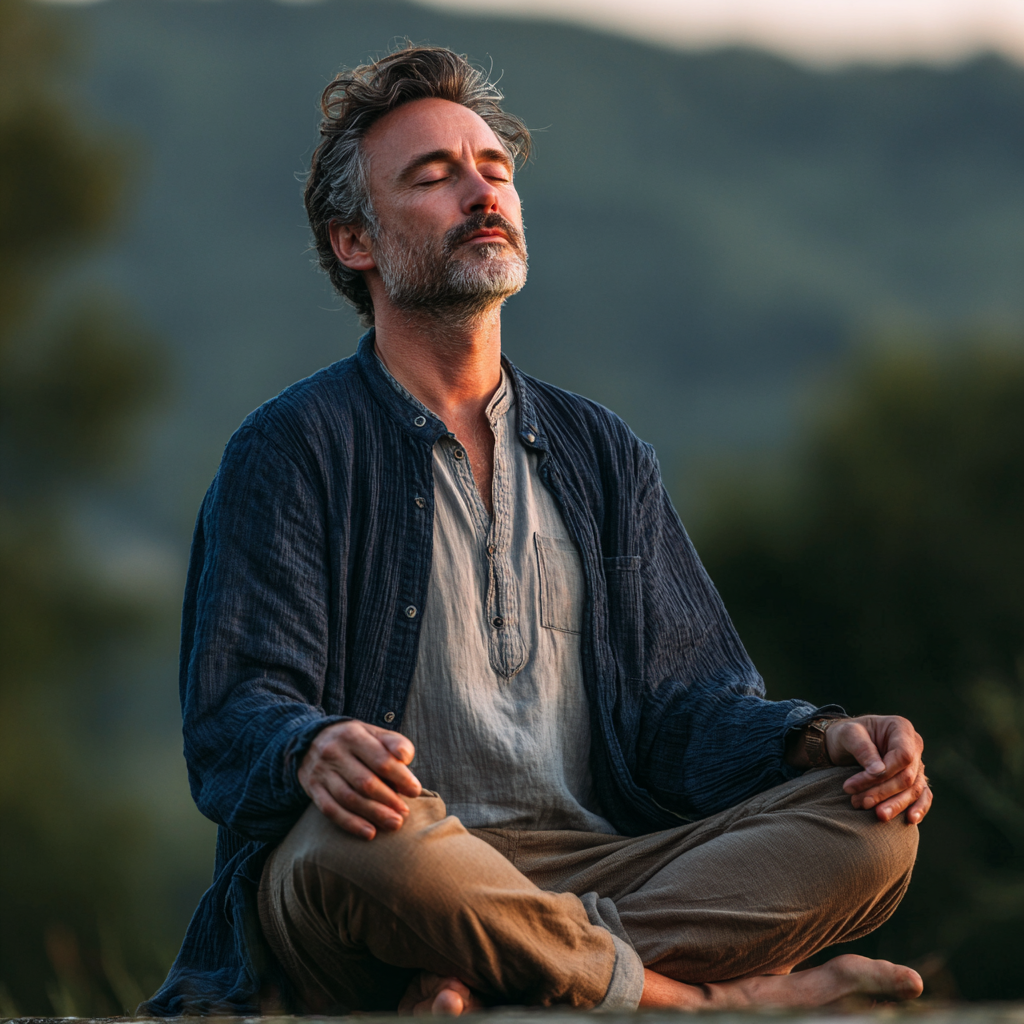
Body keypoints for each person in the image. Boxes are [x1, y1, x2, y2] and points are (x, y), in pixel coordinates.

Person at [143, 46, 932, 1016]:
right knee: (353, 852)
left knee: (871, 830)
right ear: (356, 241)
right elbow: (232, 718)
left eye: (494, 169)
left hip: (600, 856)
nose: (479, 191)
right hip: (401, 854)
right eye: (432, 177)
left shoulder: (603, 452)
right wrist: (308, 745)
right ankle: (700, 1002)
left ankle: (500, 970)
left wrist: (818, 738)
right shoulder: (290, 449)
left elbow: (685, 712)